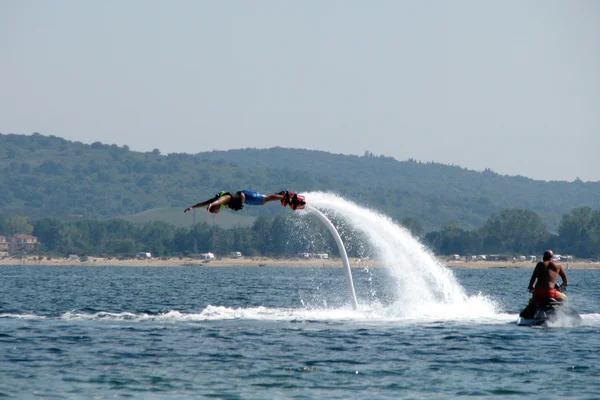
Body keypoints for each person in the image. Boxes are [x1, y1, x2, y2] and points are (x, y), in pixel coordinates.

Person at [184, 190, 305, 214]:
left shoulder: (224, 198)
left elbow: (221, 199)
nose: (216, 213)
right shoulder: (216, 202)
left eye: (214, 211)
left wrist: (212, 204)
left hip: (245, 195)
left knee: (265, 199)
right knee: (263, 202)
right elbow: (203, 203)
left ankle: (284, 196)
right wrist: (192, 207)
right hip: (246, 200)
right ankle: (281, 196)